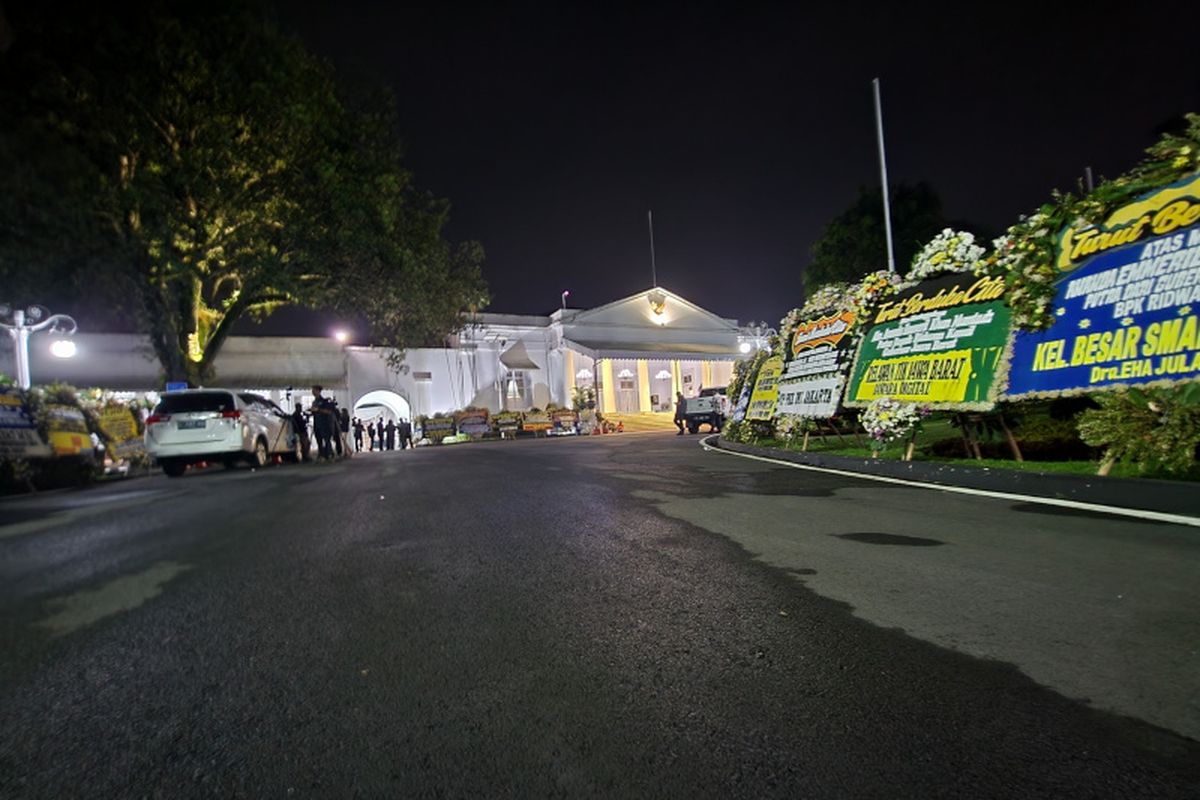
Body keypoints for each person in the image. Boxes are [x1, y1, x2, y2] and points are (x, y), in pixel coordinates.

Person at [310, 385, 337, 460]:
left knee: (327, 440)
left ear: (318, 391)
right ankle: (321, 454)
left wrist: (318, 410)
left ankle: (330, 454)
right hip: (316, 423)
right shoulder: (314, 402)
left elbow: (329, 412)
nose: (313, 392)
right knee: (319, 440)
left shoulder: (324, 401)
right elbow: (314, 412)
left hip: (324, 424)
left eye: (314, 390)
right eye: (312, 391)